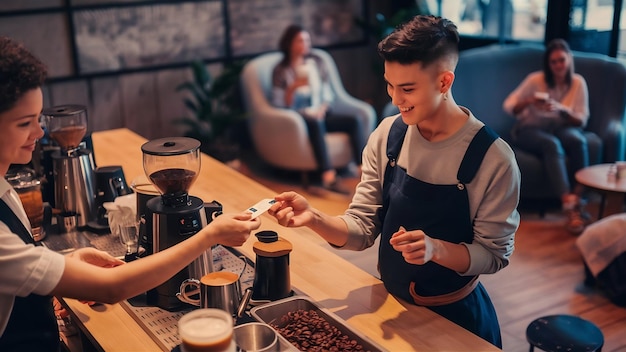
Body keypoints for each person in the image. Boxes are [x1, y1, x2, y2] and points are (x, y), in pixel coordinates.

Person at [269, 15, 520, 348]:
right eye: (390, 84)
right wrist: (314, 218)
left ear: (444, 82)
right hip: (391, 307)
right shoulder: (388, 135)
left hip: (457, 319)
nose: (395, 98)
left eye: (407, 88)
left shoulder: (493, 158)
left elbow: (494, 255)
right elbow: (362, 227)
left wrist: (436, 249)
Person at [0, 36, 261, 351]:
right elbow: (113, 288)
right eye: (25, 123)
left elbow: (19, 262)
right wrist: (208, 235)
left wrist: (63, 263)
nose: (40, 134)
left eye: (38, 120)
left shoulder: (5, 189)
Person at [503, 38, 591, 233]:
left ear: (569, 59)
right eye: (554, 62)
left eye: (562, 60)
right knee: (552, 145)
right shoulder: (536, 80)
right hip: (528, 129)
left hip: (557, 126)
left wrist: (562, 110)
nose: (558, 65)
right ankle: (567, 203)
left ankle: (578, 197)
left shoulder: (578, 83)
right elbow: (509, 105)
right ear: (548, 64)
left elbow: (581, 121)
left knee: (578, 140)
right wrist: (529, 101)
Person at [271, 24, 366, 195]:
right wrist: (292, 88)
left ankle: (363, 171)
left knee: (354, 121)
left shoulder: (317, 62)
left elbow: (328, 93)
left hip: (320, 111)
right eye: (300, 40)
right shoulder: (281, 70)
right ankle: (328, 176)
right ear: (290, 43)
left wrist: (323, 108)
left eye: (307, 40)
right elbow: (281, 104)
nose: (305, 44)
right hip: (299, 117)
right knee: (315, 121)